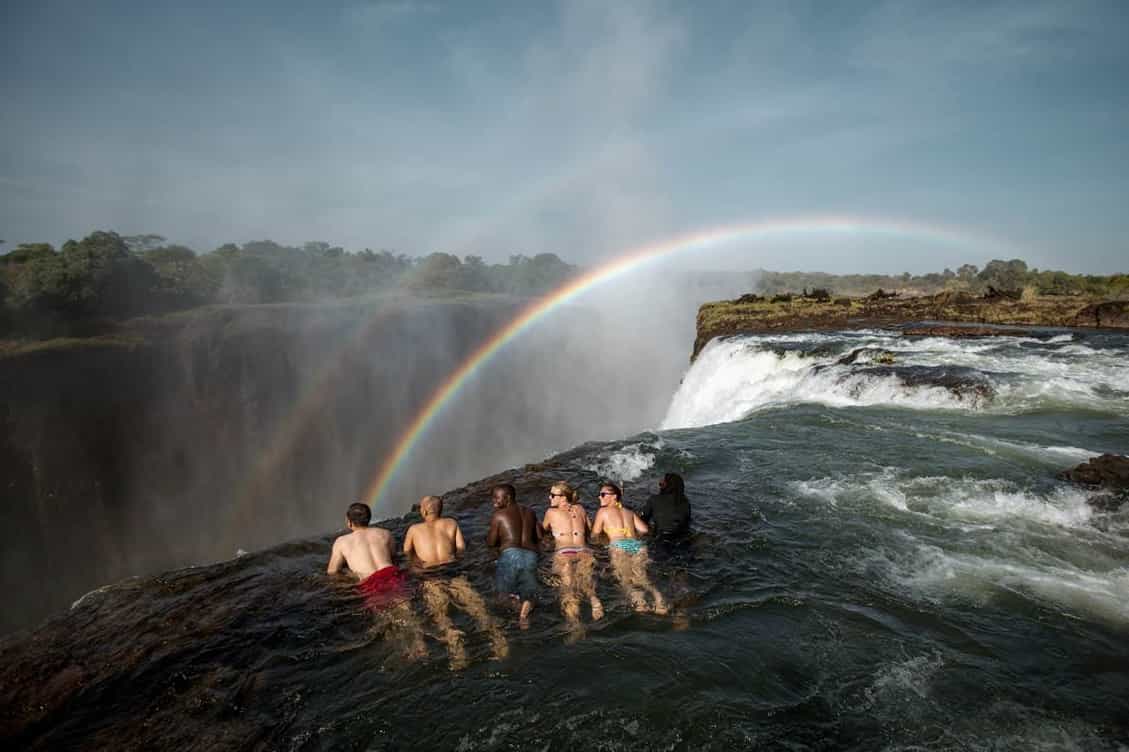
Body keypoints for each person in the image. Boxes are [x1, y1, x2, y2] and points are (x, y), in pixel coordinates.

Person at [404, 495, 507, 668]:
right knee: (478, 608)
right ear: (441, 510)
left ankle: (456, 648)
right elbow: (461, 549)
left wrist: (415, 566)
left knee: (440, 615)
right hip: (452, 570)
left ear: (423, 510)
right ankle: (499, 642)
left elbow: (407, 553)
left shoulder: (414, 529)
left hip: (430, 574)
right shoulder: (451, 524)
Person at [327, 502, 425, 657]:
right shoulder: (385, 533)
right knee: (407, 610)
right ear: (369, 519)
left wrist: (347, 578)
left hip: (370, 581)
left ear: (349, 522)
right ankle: (421, 644)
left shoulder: (341, 542)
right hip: (392, 573)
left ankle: (403, 652)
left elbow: (332, 572)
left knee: (385, 618)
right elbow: (392, 555)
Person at [592, 481, 667, 614]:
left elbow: (594, 534)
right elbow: (644, 530)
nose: (599, 497)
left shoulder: (602, 512)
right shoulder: (628, 512)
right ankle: (659, 600)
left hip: (618, 546)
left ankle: (640, 604)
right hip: (637, 546)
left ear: (614, 496)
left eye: (603, 494)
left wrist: (603, 541)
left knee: (625, 579)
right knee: (642, 577)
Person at [541, 481, 603, 631]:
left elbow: (542, 531)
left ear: (563, 498)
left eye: (552, 495)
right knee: (586, 582)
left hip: (564, 552)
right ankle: (595, 602)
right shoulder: (580, 508)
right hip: (584, 551)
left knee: (568, 590)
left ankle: (575, 625)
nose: (549, 498)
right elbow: (589, 530)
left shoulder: (551, 512)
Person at [486, 484, 541, 626]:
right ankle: (526, 606)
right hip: (532, 555)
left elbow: (491, 543)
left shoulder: (499, 515)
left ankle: (518, 609)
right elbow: (540, 536)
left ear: (508, 498)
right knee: (530, 592)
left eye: (497, 498)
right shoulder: (531, 512)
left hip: (510, 555)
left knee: (502, 597)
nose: (494, 502)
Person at [638, 472, 691, 539]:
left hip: (660, 539)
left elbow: (642, 520)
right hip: (681, 539)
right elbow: (687, 524)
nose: (660, 486)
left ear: (665, 486)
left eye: (661, 484)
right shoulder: (686, 502)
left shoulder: (654, 499)